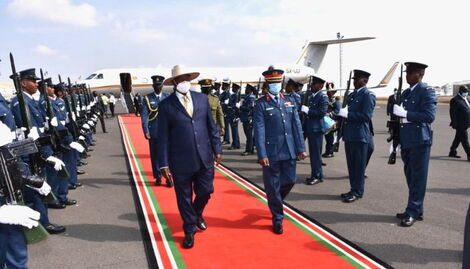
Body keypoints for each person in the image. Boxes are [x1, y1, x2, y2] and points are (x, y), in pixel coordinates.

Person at [157, 65, 222, 248]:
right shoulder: (166, 106)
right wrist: (163, 164)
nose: (185, 81)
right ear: (174, 83)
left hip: (204, 157)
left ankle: (196, 213)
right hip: (180, 161)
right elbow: (163, 137)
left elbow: (212, 127)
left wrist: (217, 149)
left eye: (187, 78)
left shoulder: (201, 99)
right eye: (181, 79)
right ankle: (189, 230)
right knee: (184, 197)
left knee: (206, 191)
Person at [10, 68, 66, 234]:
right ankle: (41, 224)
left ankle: (41, 221)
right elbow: (23, 129)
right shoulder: (19, 103)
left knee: (40, 184)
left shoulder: (30, 101)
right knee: (35, 187)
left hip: (37, 147)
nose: (36, 84)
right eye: (33, 81)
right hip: (28, 152)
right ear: (23, 83)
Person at [253, 67, 307, 235]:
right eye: (272, 83)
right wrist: (262, 154)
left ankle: (274, 201)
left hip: (289, 149)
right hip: (271, 151)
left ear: (281, 83)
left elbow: (296, 126)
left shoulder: (289, 101)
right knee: (272, 184)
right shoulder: (261, 104)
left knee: (290, 180)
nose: (275, 85)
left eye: (278, 82)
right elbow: (259, 130)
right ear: (267, 85)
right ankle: (277, 218)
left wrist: (301, 148)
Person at [392, 62, 437, 227]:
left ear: (419, 74)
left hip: (419, 140)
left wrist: (407, 114)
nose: (407, 75)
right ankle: (416, 209)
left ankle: (412, 211)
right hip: (407, 141)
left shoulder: (427, 91)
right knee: (411, 177)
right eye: (407, 72)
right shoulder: (405, 92)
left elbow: (429, 116)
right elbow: (399, 122)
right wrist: (396, 141)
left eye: (410, 73)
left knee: (418, 178)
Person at [337, 69, 376, 203]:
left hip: (360, 136)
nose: (354, 82)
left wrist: (348, 115)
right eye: (354, 79)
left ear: (365, 81)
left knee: (359, 166)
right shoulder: (352, 95)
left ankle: (358, 191)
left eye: (357, 79)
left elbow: (366, 116)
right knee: (352, 165)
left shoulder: (368, 95)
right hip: (350, 134)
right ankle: (353, 189)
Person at [141, 75, 171, 187]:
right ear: (153, 86)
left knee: (167, 155)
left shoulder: (167, 97)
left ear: (162, 85)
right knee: (155, 156)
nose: (157, 87)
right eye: (155, 85)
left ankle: (168, 176)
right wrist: (145, 130)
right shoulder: (147, 98)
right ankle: (158, 176)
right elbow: (144, 116)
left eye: (159, 85)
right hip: (154, 132)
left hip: (167, 131)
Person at [301, 76, 328, 185]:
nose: (311, 86)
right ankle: (316, 174)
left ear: (320, 85)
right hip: (310, 127)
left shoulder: (323, 97)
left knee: (316, 154)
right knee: (313, 153)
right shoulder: (312, 96)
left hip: (316, 129)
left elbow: (322, 112)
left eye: (313, 84)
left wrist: (309, 111)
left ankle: (316, 175)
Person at [448, 85, 470, 161]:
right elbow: (452, 113)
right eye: (464, 91)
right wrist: (454, 123)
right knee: (464, 139)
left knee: (458, 138)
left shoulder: (466, 99)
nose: (466, 93)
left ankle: (452, 152)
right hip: (460, 124)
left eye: (467, 91)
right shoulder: (455, 100)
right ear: (460, 91)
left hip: (466, 123)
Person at [323, 83, 341, 158]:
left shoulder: (336, 101)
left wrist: (329, 114)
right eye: (327, 91)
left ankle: (330, 152)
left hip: (332, 122)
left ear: (333, 92)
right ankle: (327, 151)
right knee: (327, 138)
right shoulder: (327, 99)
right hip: (326, 122)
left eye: (329, 91)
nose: (328, 93)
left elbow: (337, 111)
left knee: (331, 139)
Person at [240, 84, 256, 155]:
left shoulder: (251, 98)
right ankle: (250, 149)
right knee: (248, 135)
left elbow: (248, 108)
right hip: (245, 118)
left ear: (250, 90)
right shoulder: (247, 97)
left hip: (248, 118)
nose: (245, 90)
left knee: (249, 135)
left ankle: (249, 150)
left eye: (247, 89)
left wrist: (240, 107)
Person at [226, 83, 241, 150]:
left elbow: (236, 107)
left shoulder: (236, 96)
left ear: (236, 88)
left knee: (234, 131)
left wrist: (236, 116)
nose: (232, 88)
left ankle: (235, 144)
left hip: (234, 115)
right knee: (234, 130)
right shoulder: (233, 95)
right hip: (231, 114)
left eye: (233, 87)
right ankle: (237, 143)